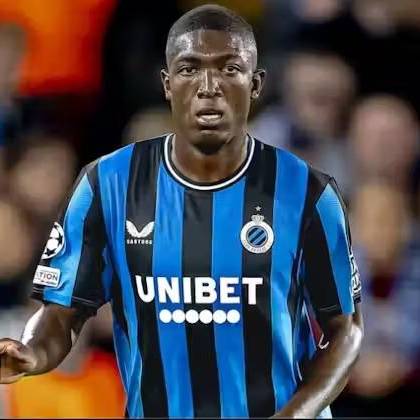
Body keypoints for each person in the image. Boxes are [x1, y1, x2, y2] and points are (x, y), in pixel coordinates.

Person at [0, 5, 363, 418]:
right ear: (167, 83)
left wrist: (296, 414)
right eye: (190, 69)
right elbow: (61, 312)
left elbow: (345, 331)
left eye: (229, 69)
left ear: (256, 84)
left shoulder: (308, 191)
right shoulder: (107, 185)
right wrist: (32, 351)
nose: (209, 86)